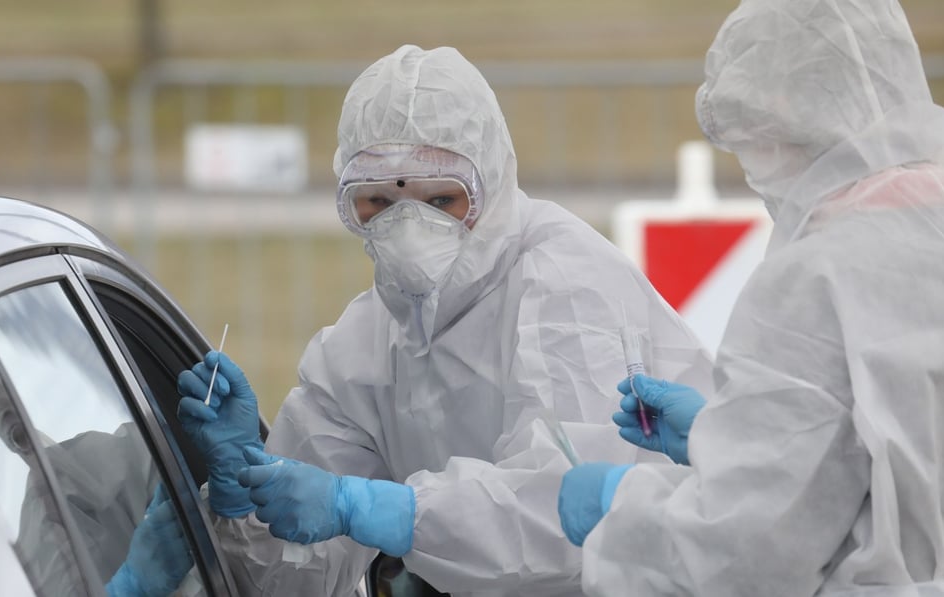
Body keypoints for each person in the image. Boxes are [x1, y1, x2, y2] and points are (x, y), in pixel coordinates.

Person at [176, 44, 714, 595]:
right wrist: (244, 493)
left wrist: (380, 507)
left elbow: (563, 525)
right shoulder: (364, 345)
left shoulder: (564, 283)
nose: (410, 223)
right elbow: (296, 577)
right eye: (378, 201)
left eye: (441, 198)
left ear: (492, 181)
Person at [556, 0, 944, 595]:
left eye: (749, 140)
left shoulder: (813, 278)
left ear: (785, 118)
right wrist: (728, 432)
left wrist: (621, 504)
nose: (752, 170)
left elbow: (743, 554)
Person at [0, 352, 194, 596]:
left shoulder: (91, 465)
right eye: (7, 421)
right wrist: (129, 588)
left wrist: (227, 494)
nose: (19, 437)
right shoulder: (15, 545)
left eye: (16, 417)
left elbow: (162, 460)